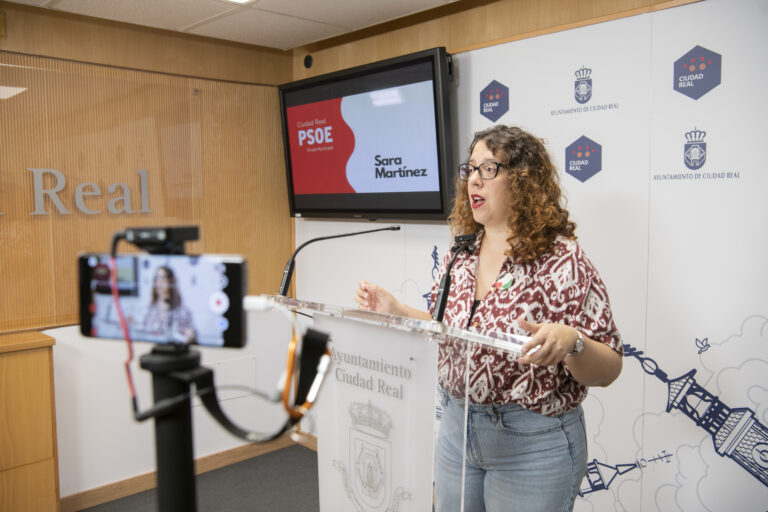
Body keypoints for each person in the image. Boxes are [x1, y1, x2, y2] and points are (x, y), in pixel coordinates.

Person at [355, 125, 623, 512]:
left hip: (532, 444)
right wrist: (396, 310)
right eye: (470, 170)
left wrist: (571, 342)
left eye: (489, 169)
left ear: (523, 181)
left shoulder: (563, 259)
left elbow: (609, 367)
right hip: (456, 431)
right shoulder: (461, 251)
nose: (473, 180)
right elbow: (450, 331)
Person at [143, 265, 196, 344]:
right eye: (157, 278)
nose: (159, 282)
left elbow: (192, 334)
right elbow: (144, 331)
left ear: (170, 281)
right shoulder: (150, 309)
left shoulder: (183, 311)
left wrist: (190, 335)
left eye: (163, 278)